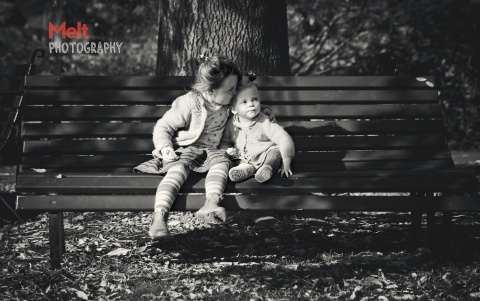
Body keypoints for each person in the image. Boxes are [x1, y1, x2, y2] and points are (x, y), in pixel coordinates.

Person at [138, 55, 274, 239]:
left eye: (235, 89)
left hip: (212, 153)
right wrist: (164, 147)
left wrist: (262, 109)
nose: (235, 93)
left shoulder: (228, 102)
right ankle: (159, 218)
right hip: (186, 150)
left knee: (221, 164)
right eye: (230, 89)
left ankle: (211, 204)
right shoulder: (189, 103)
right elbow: (164, 127)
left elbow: (246, 100)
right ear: (210, 91)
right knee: (176, 172)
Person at [220, 74, 295, 183]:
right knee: (237, 160)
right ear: (234, 109)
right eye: (244, 102)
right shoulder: (231, 124)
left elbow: (283, 138)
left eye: (255, 99)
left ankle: (266, 170)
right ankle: (246, 170)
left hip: (265, 154)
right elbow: (225, 141)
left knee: (274, 154)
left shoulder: (264, 121)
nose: (251, 104)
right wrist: (227, 150)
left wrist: (286, 161)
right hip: (245, 159)